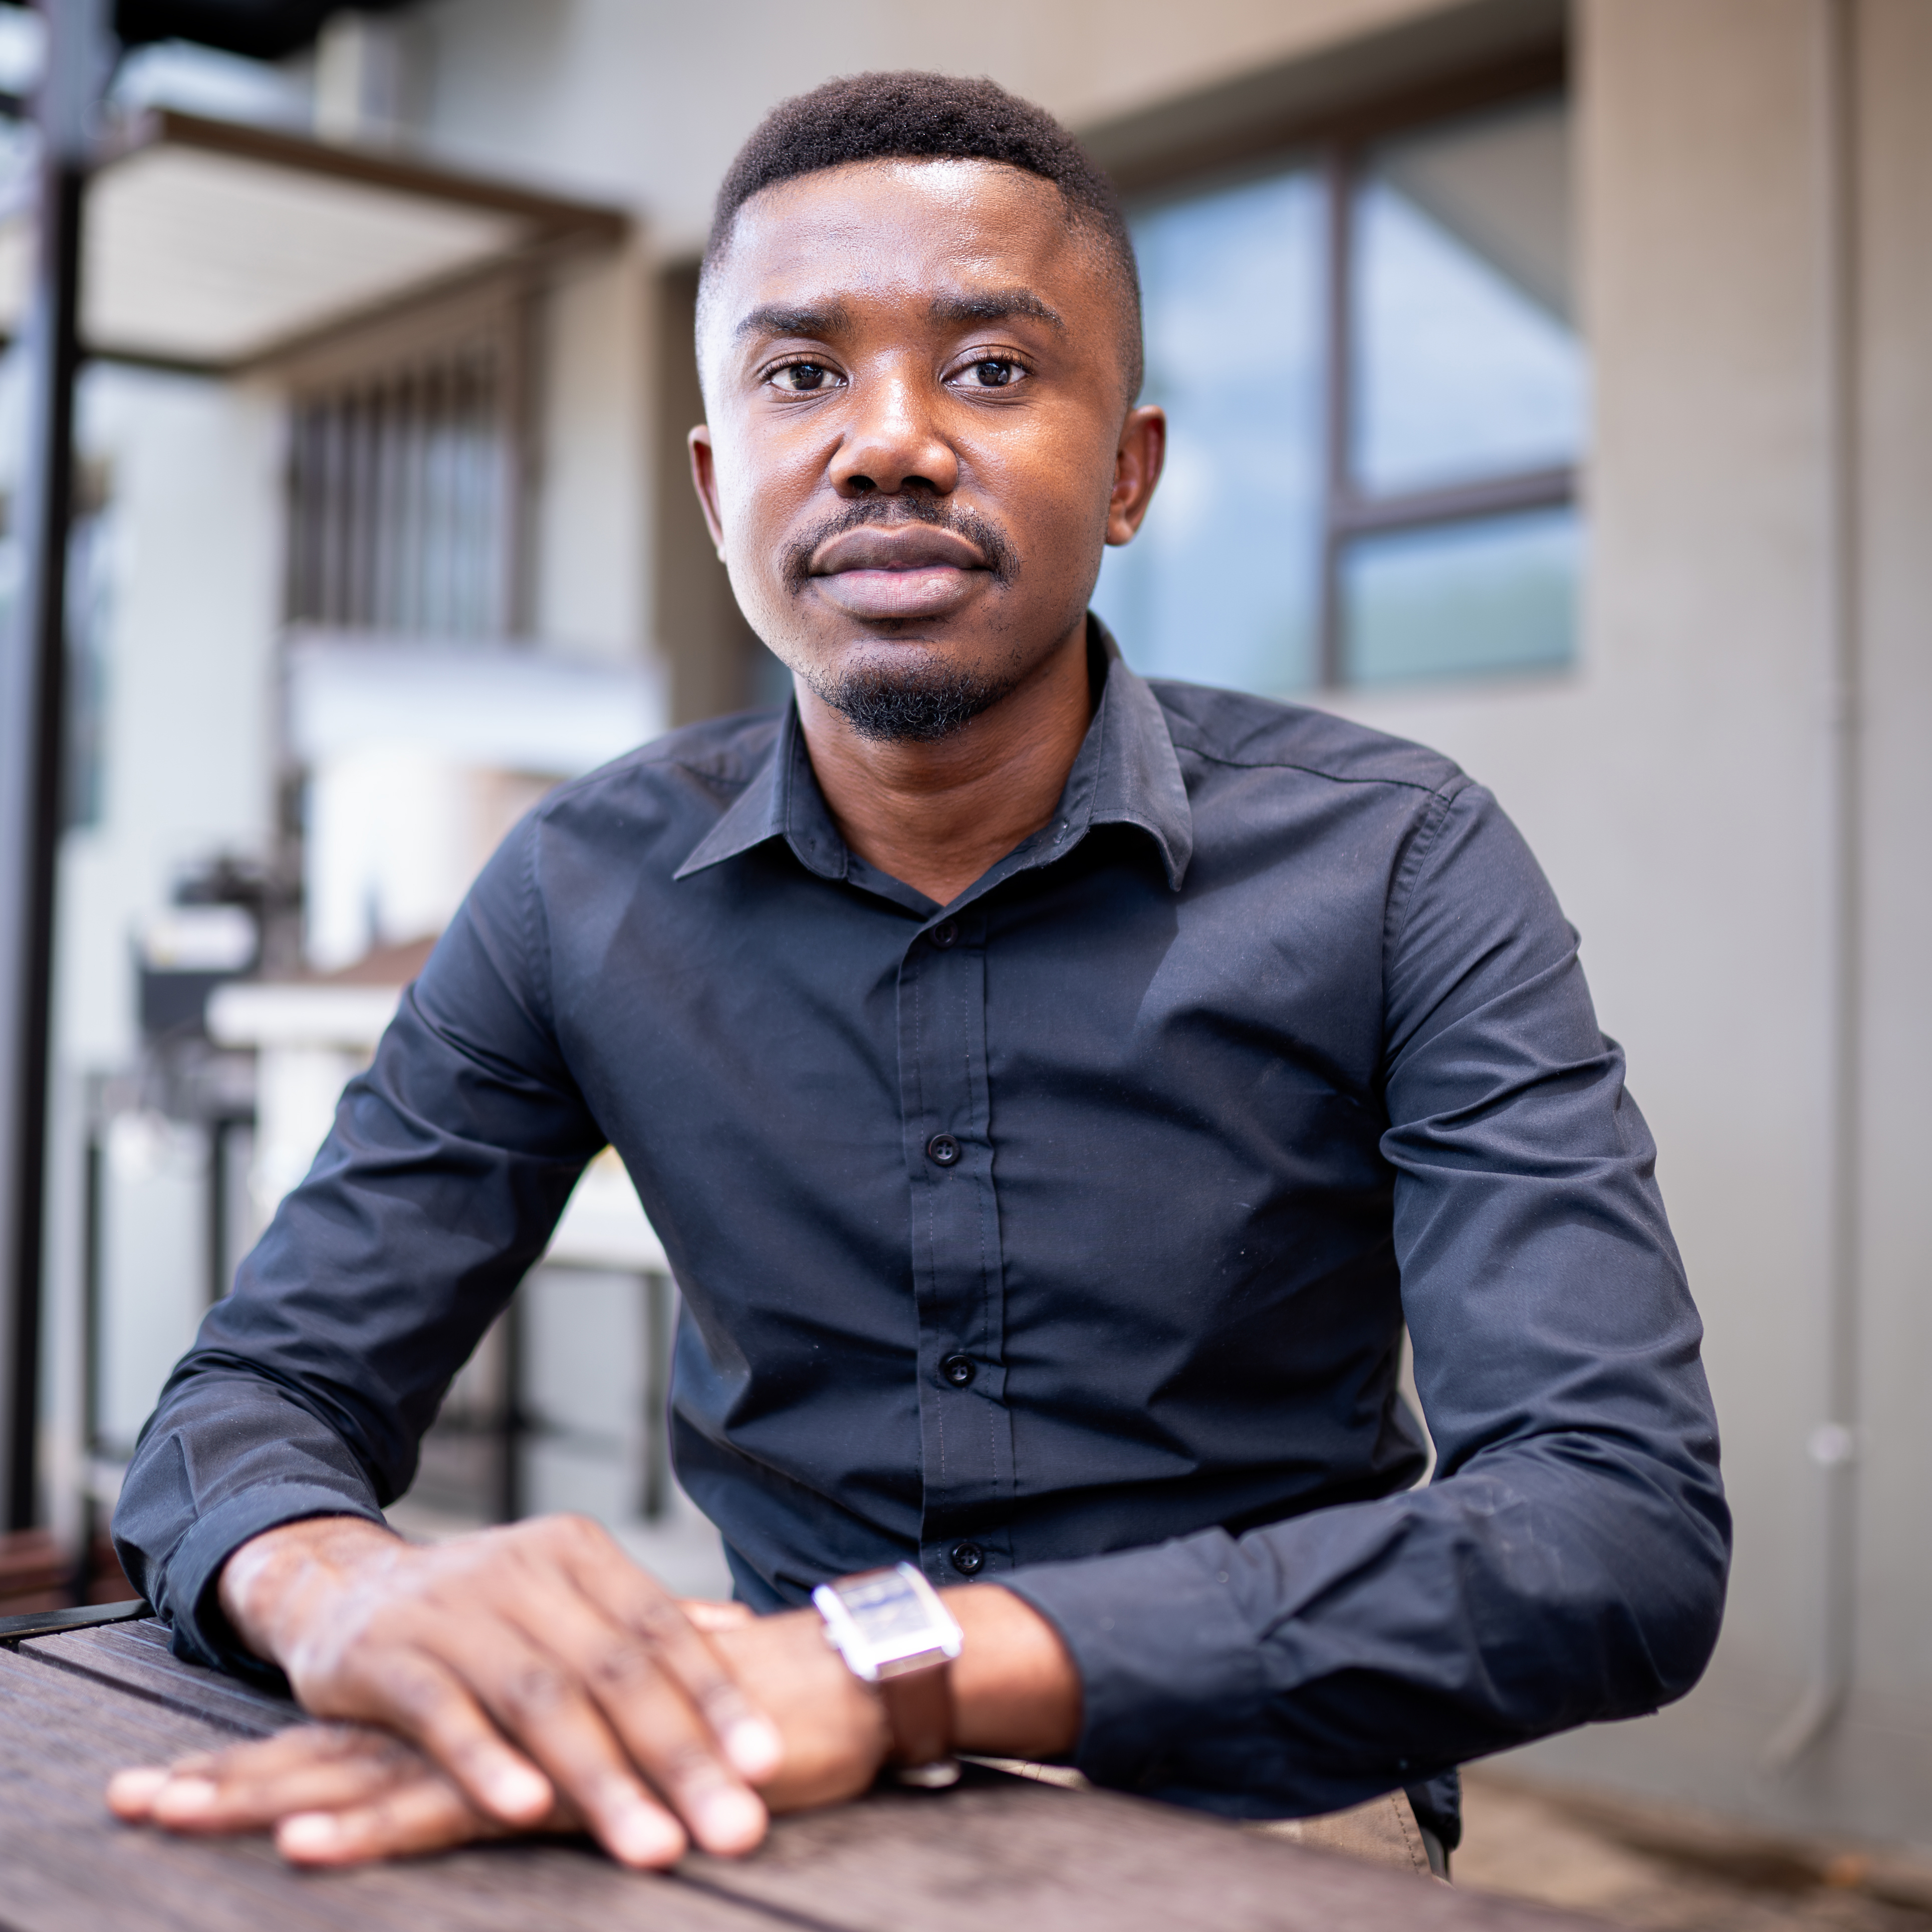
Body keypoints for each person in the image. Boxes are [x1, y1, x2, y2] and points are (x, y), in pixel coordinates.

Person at [105, 72, 1729, 1875]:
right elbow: (255, 1395)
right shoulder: (579, 886)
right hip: (767, 1799)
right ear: (720, 490)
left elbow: (1615, 1529)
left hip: (1260, 1801)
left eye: (991, 368)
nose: (887, 441)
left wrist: (891, 1671)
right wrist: (332, 1587)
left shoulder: (1402, 859)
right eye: (802, 374)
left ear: (1129, 472)